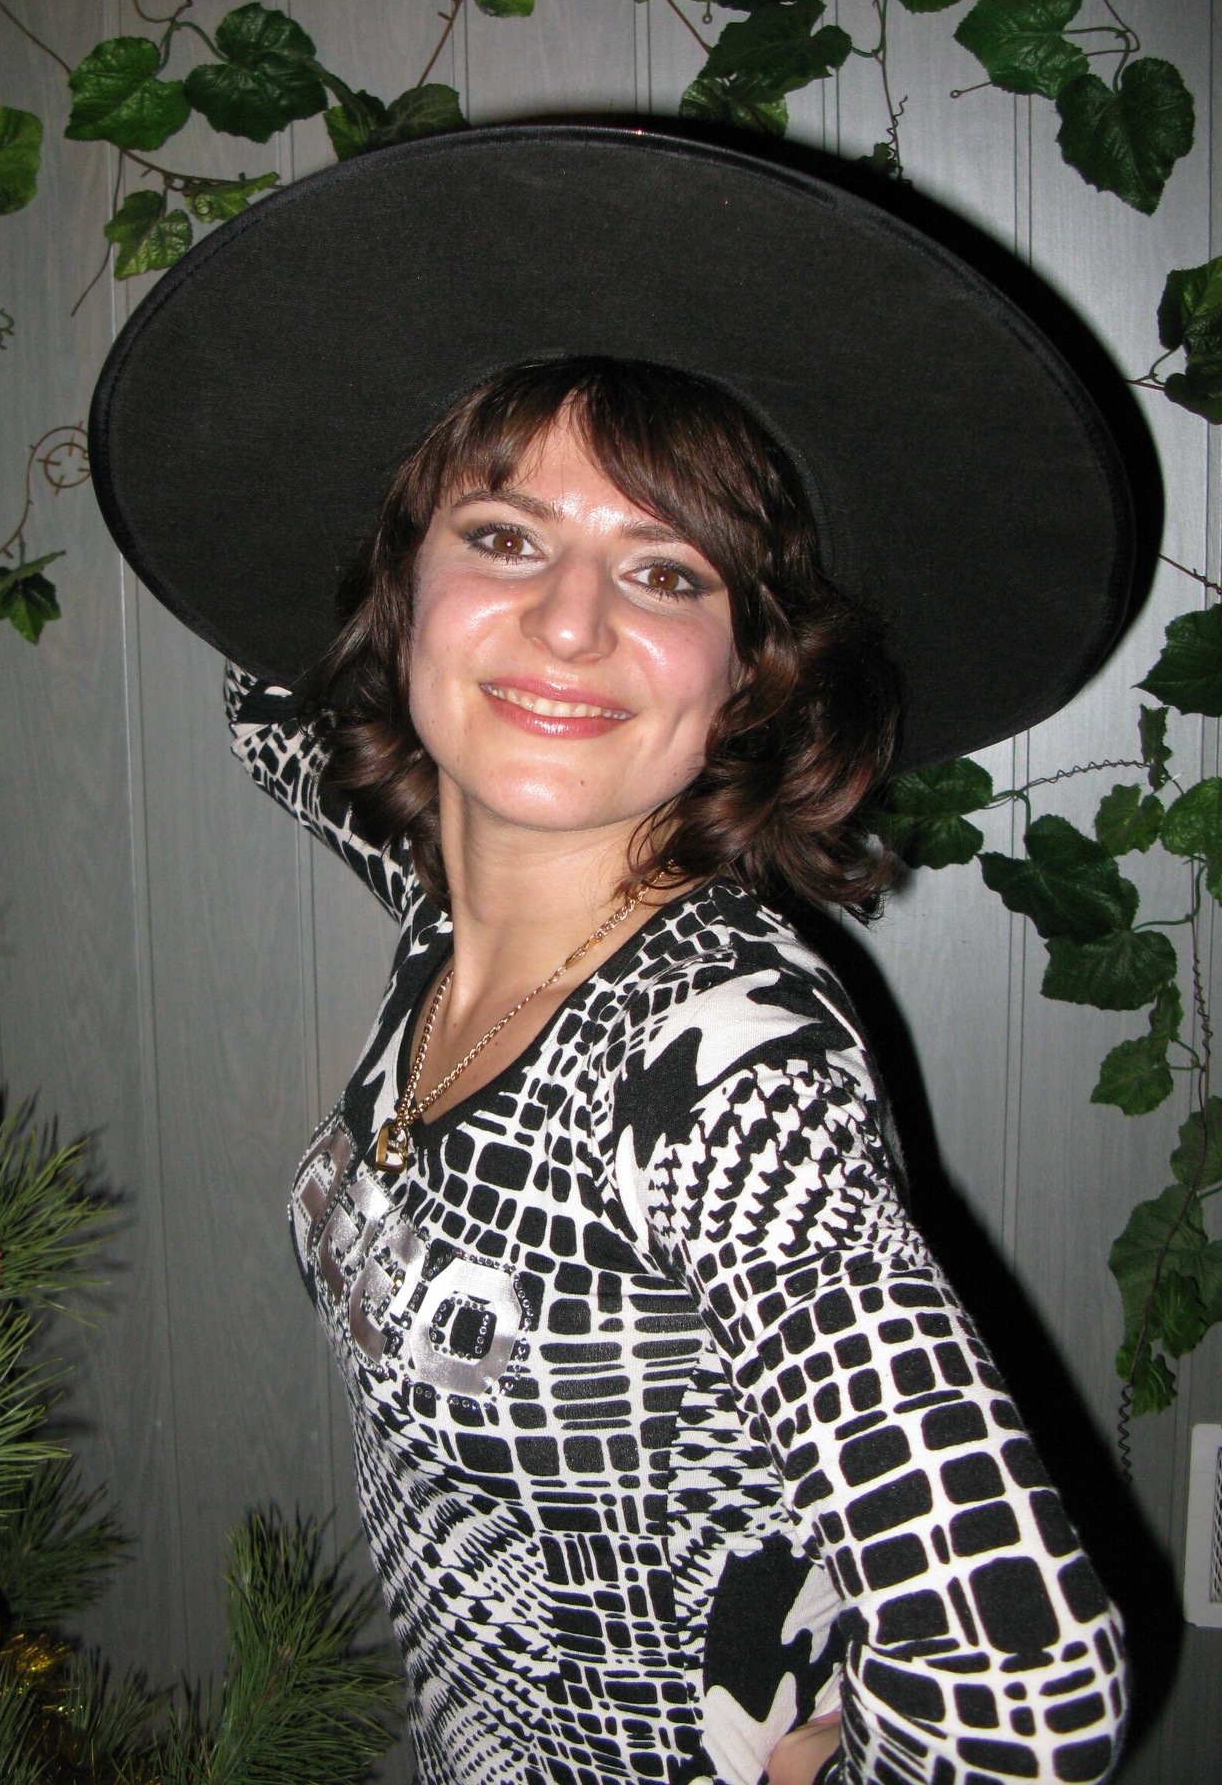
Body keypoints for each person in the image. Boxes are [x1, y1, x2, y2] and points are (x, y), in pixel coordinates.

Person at [90, 127, 1137, 1784]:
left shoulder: (717, 1063)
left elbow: (1030, 1691)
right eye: (506, 538)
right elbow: (271, 701)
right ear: (405, 588)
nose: (571, 623)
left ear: (752, 672)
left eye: (664, 570)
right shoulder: (451, 903)